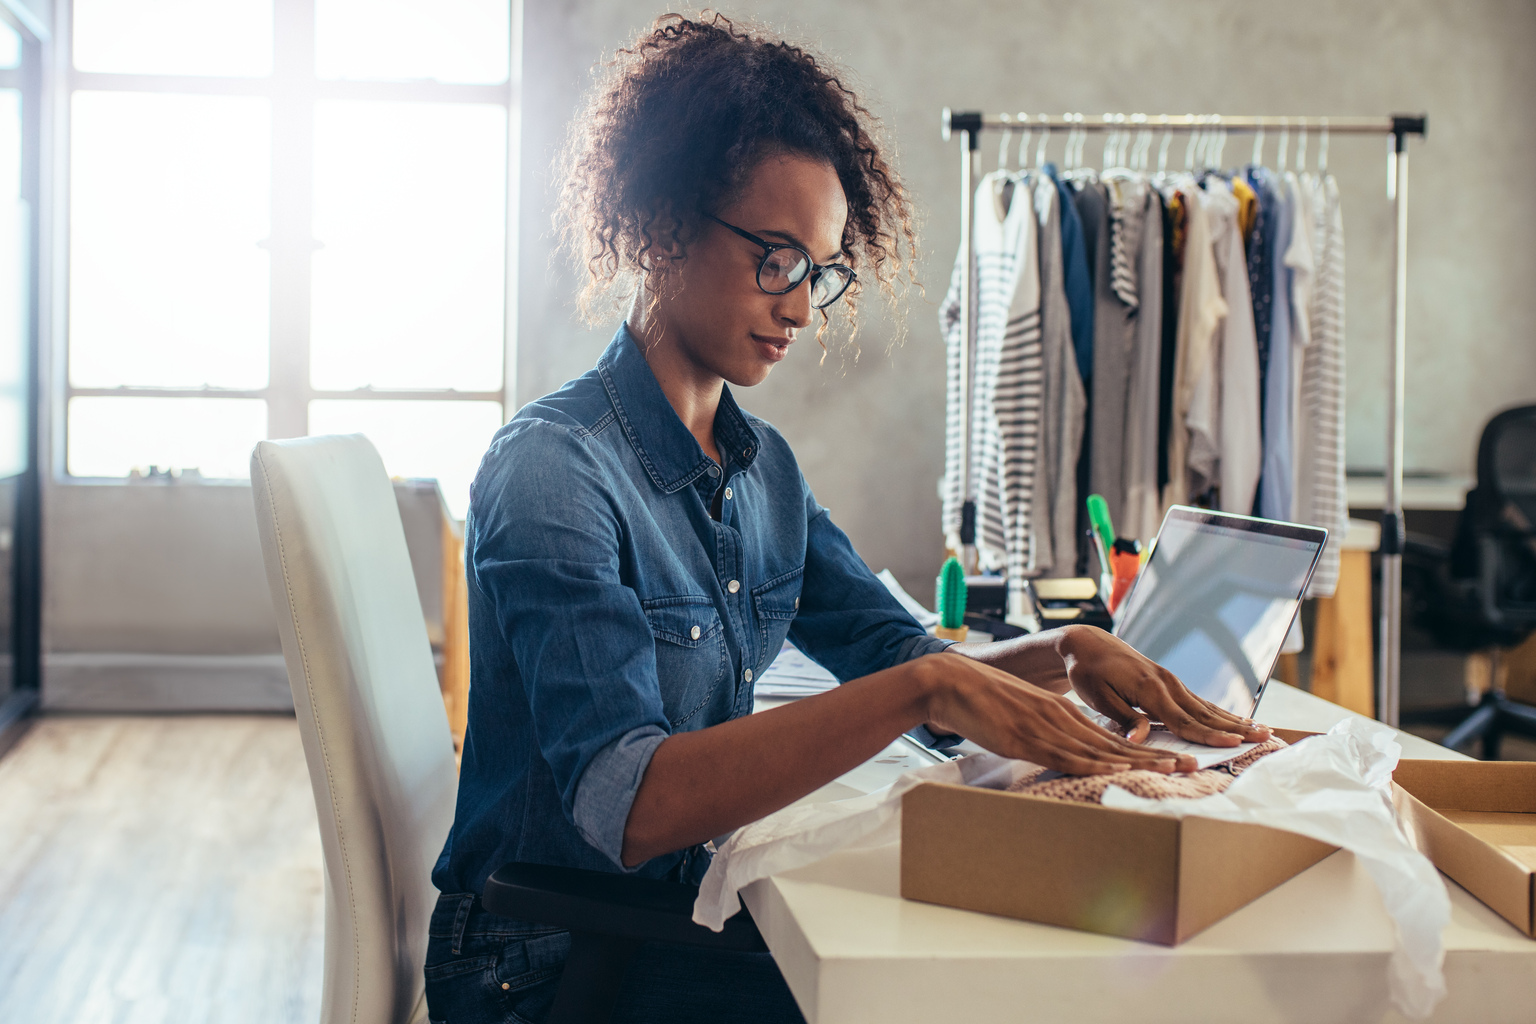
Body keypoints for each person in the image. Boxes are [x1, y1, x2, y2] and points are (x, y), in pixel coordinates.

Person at [424, 14, 1270, 1024]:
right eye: (774, 258)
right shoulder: (553, 474)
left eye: (818, 273)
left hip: (671, 912)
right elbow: (630, 806)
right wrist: (931, 682)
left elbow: (893, 654)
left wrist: (1068, 651)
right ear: (659, 228)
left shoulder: (761, 470)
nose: (797, 305)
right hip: (548, 961)